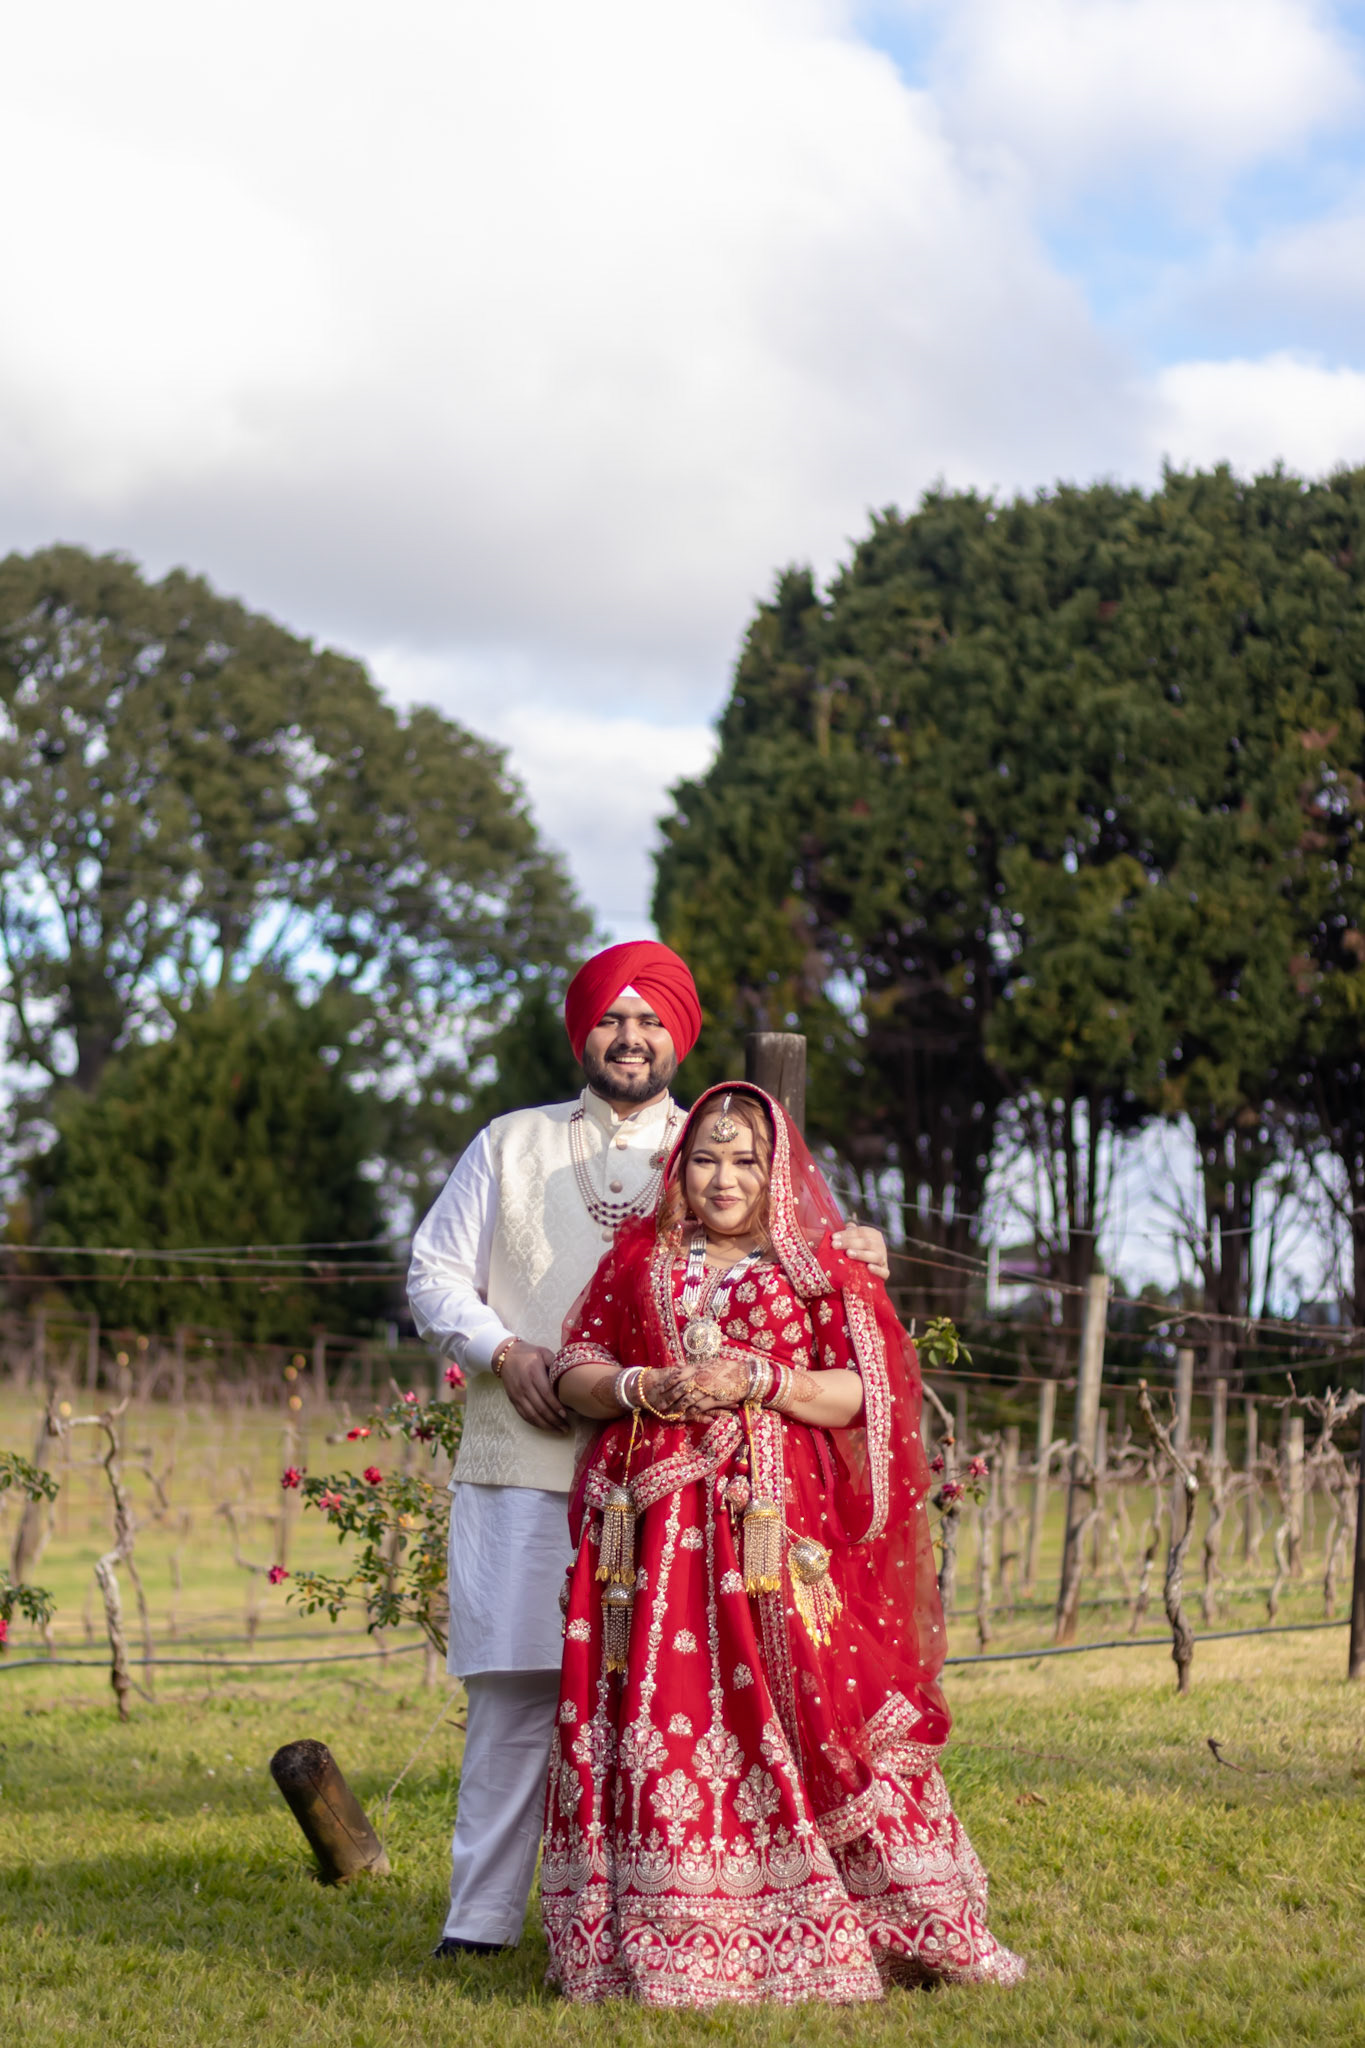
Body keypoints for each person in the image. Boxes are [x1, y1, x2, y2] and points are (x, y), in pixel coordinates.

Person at [407, 944, 890, 1958]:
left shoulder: (723, 1140)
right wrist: (503, 1349)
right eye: (611, 1020)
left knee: (662, 1699)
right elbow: (433, 1271)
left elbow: (815, 1267)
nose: (630, 1039)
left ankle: (663, 1911)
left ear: (680, 1035)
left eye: (650, 1021)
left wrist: (862, 1246)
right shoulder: (511, 1141)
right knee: (517, 1690)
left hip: (682, 1496)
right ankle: (479, 1925)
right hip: (528, 1456)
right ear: (580, 1032)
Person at [543, 1082, 1024, 2006]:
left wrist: (762, 1380)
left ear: (778, 1172)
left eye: (745, 1161)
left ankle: (882, 1917)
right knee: (661, 1714)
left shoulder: (820, 1266)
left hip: (772, 1532)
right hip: (652, 1539)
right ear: (678, 1170)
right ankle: (670, 1935)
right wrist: (640, 1386)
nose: (723, 1179)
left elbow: (861, 1394)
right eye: (705, 1159)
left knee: (811, 1701)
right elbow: (575, 1367)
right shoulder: (637, 1260)